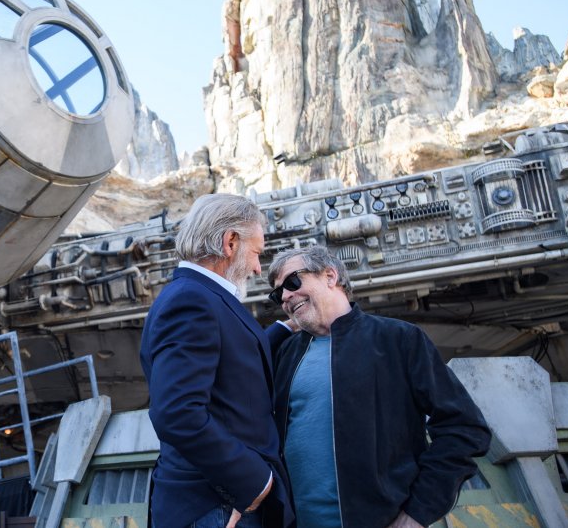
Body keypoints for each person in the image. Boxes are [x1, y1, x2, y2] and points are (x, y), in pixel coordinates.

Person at [265, 246, 491, 528]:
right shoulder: (285, 355)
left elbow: (465, 429)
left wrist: (418, 514)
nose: (285, 296)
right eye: (278, 294)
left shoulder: (398, 339)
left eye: (293, 282)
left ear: (330, 276)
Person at [140, 194, 293, 528]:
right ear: (230, 242)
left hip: (222, 502)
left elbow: (230, 368)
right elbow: (176, 413)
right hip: (217, 505)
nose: (257, 267)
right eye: (256, 253)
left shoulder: (197, 296)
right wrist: (254, 482)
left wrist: (284, 328)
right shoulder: (192, 301)